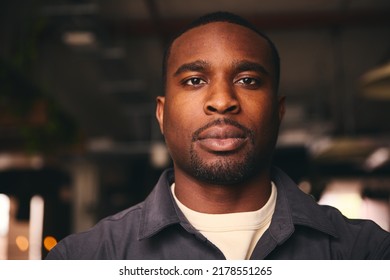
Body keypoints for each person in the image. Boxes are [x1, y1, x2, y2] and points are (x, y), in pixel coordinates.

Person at [46, 11, 390, 260]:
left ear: (278, 110)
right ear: (162, 114)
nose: (223, 101)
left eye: (248, 80)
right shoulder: (84, 259)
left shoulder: (366, 253)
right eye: (195, 80)